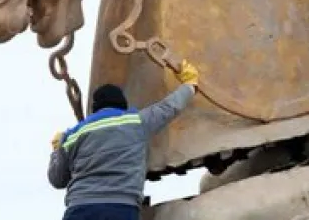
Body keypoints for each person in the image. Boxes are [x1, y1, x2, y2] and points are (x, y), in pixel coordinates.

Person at [48, 61, 201, 220]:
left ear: (95, 108)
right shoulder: (137, 122)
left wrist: (57, 150)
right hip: (120, 208)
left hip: (79, 209)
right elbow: (169, 107)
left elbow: (57, 180)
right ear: (122, 104)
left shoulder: (74, 135)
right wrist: (190, 85)